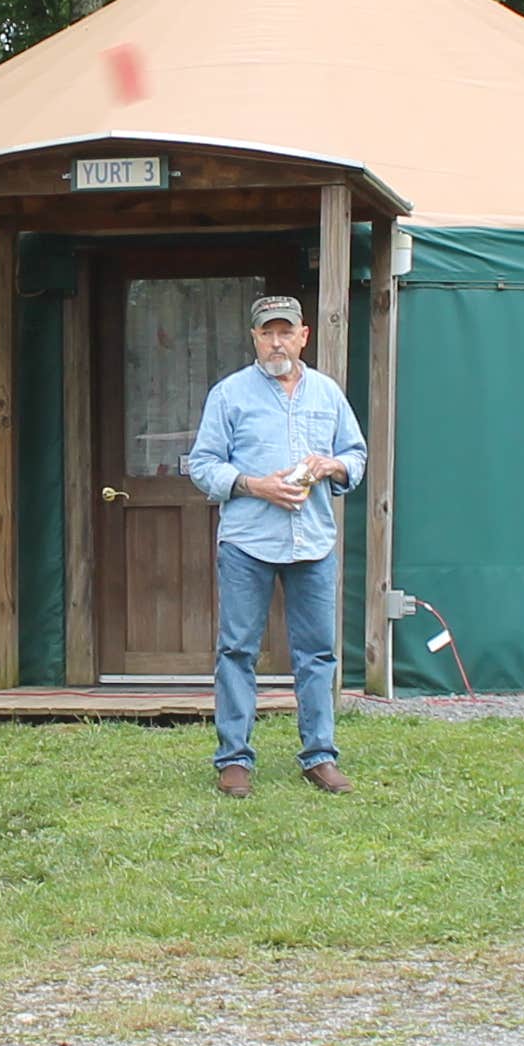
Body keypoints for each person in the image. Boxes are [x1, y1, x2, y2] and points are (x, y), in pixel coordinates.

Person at [186, 295, 367, 798]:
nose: (276, 342)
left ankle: (320, 756)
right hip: (248, 542)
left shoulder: (327, 394)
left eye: (286, 332)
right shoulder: (230, 395)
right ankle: (234, 759)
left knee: (317, 654)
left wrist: (331, 467)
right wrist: (254, 484)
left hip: (313, 543)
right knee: (237, 650)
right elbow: (202, 465)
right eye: (267, 333)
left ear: (304, 336)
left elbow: (357, 455)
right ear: (254, 339)